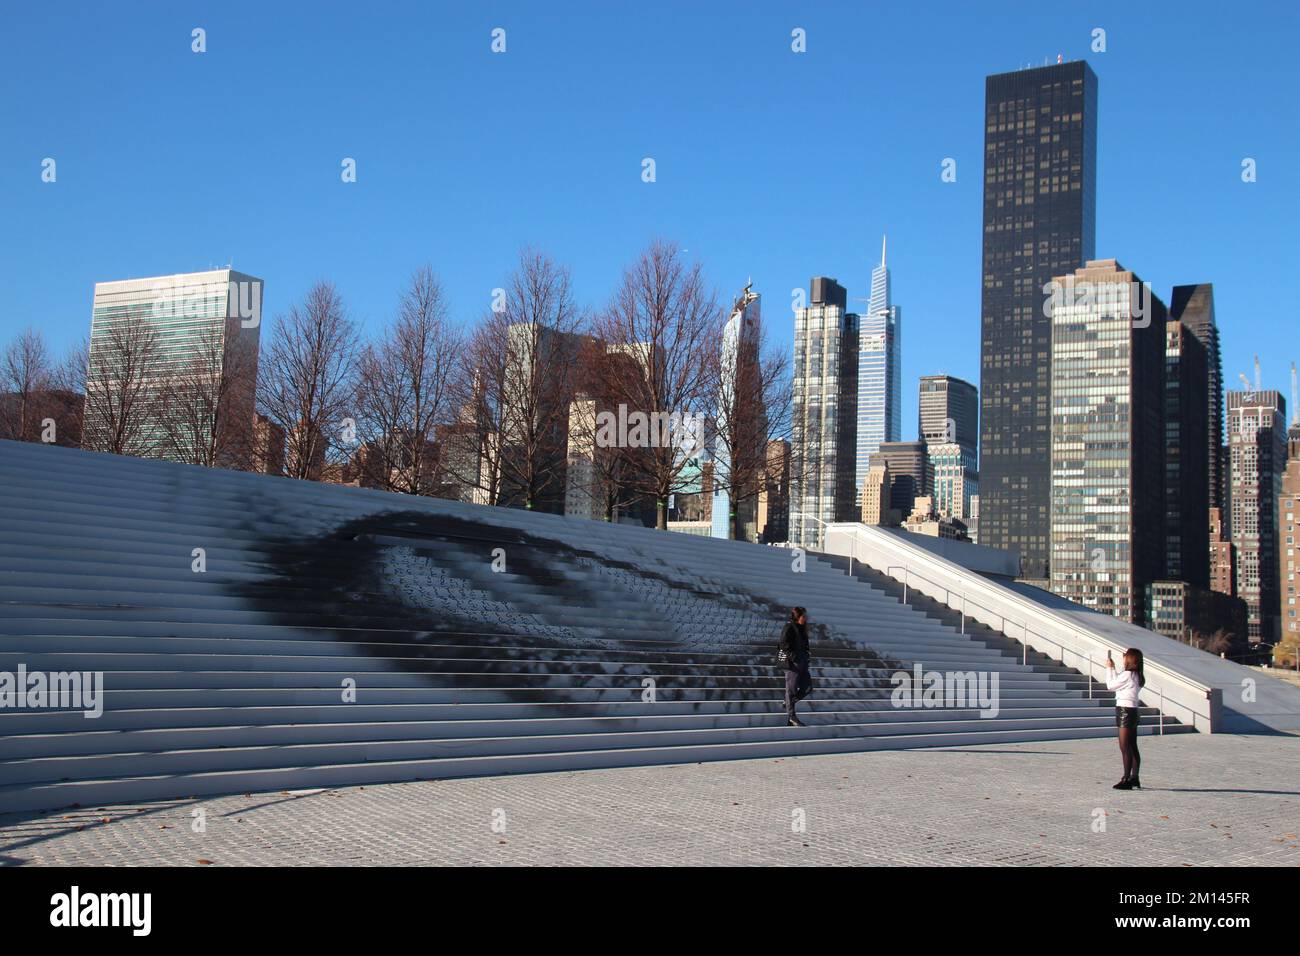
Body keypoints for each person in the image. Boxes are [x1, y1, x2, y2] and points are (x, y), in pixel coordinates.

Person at [1105, 648, 1145, 790]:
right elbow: (1118, 684)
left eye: (1125, 657)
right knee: (1132, 746)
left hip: (1124, 711)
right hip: (1133, 710)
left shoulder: (1128, 674)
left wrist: (1109, 669)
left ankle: (1126, 779)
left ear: (1130, 659)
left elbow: (1110, 685)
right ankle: (1134, 777)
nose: (1123, 659)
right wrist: (1114, 669)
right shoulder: (1137, 675)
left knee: (1124, 747)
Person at [778, 606, 812, 727]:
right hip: (792, 664)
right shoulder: (789, 627)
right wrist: (793, 657)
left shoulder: (803, 628)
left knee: (807, 688)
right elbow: (782, 644)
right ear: (797, 616)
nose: (806, 618)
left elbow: (805, 645)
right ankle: (792, 717)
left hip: (803, 663)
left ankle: (787, 702)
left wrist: (807, 654)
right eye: (803, 616)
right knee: (791, 691)